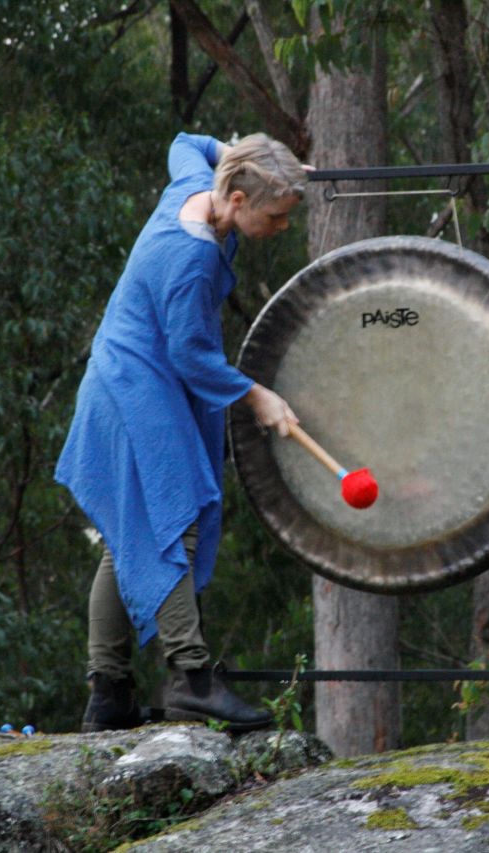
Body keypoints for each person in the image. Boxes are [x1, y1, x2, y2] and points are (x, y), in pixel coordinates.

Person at [55, 132, 305, 733]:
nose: (282, 226)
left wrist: (268, 162)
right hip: (134, 390)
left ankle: (108, 696)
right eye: (276, 215)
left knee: (125, 543)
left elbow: (185, 140)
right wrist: (257, 395)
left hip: (137, 380)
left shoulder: (194, 183)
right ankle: (191, 681)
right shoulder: (190, 259)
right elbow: (192, 356)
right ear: (239, 200)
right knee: (174, 523)